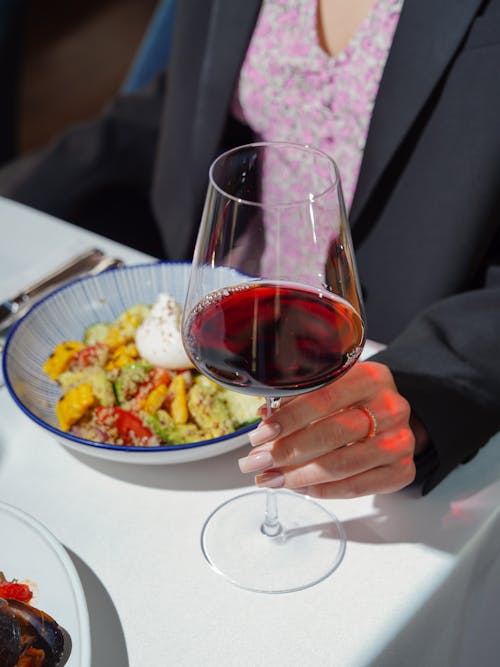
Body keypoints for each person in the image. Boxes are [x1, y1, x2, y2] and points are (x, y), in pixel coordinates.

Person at [2, 0, 500, 497]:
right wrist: (15, 195)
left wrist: (428, 384)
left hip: (389, 362)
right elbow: (186, 100)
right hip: (231, 306)